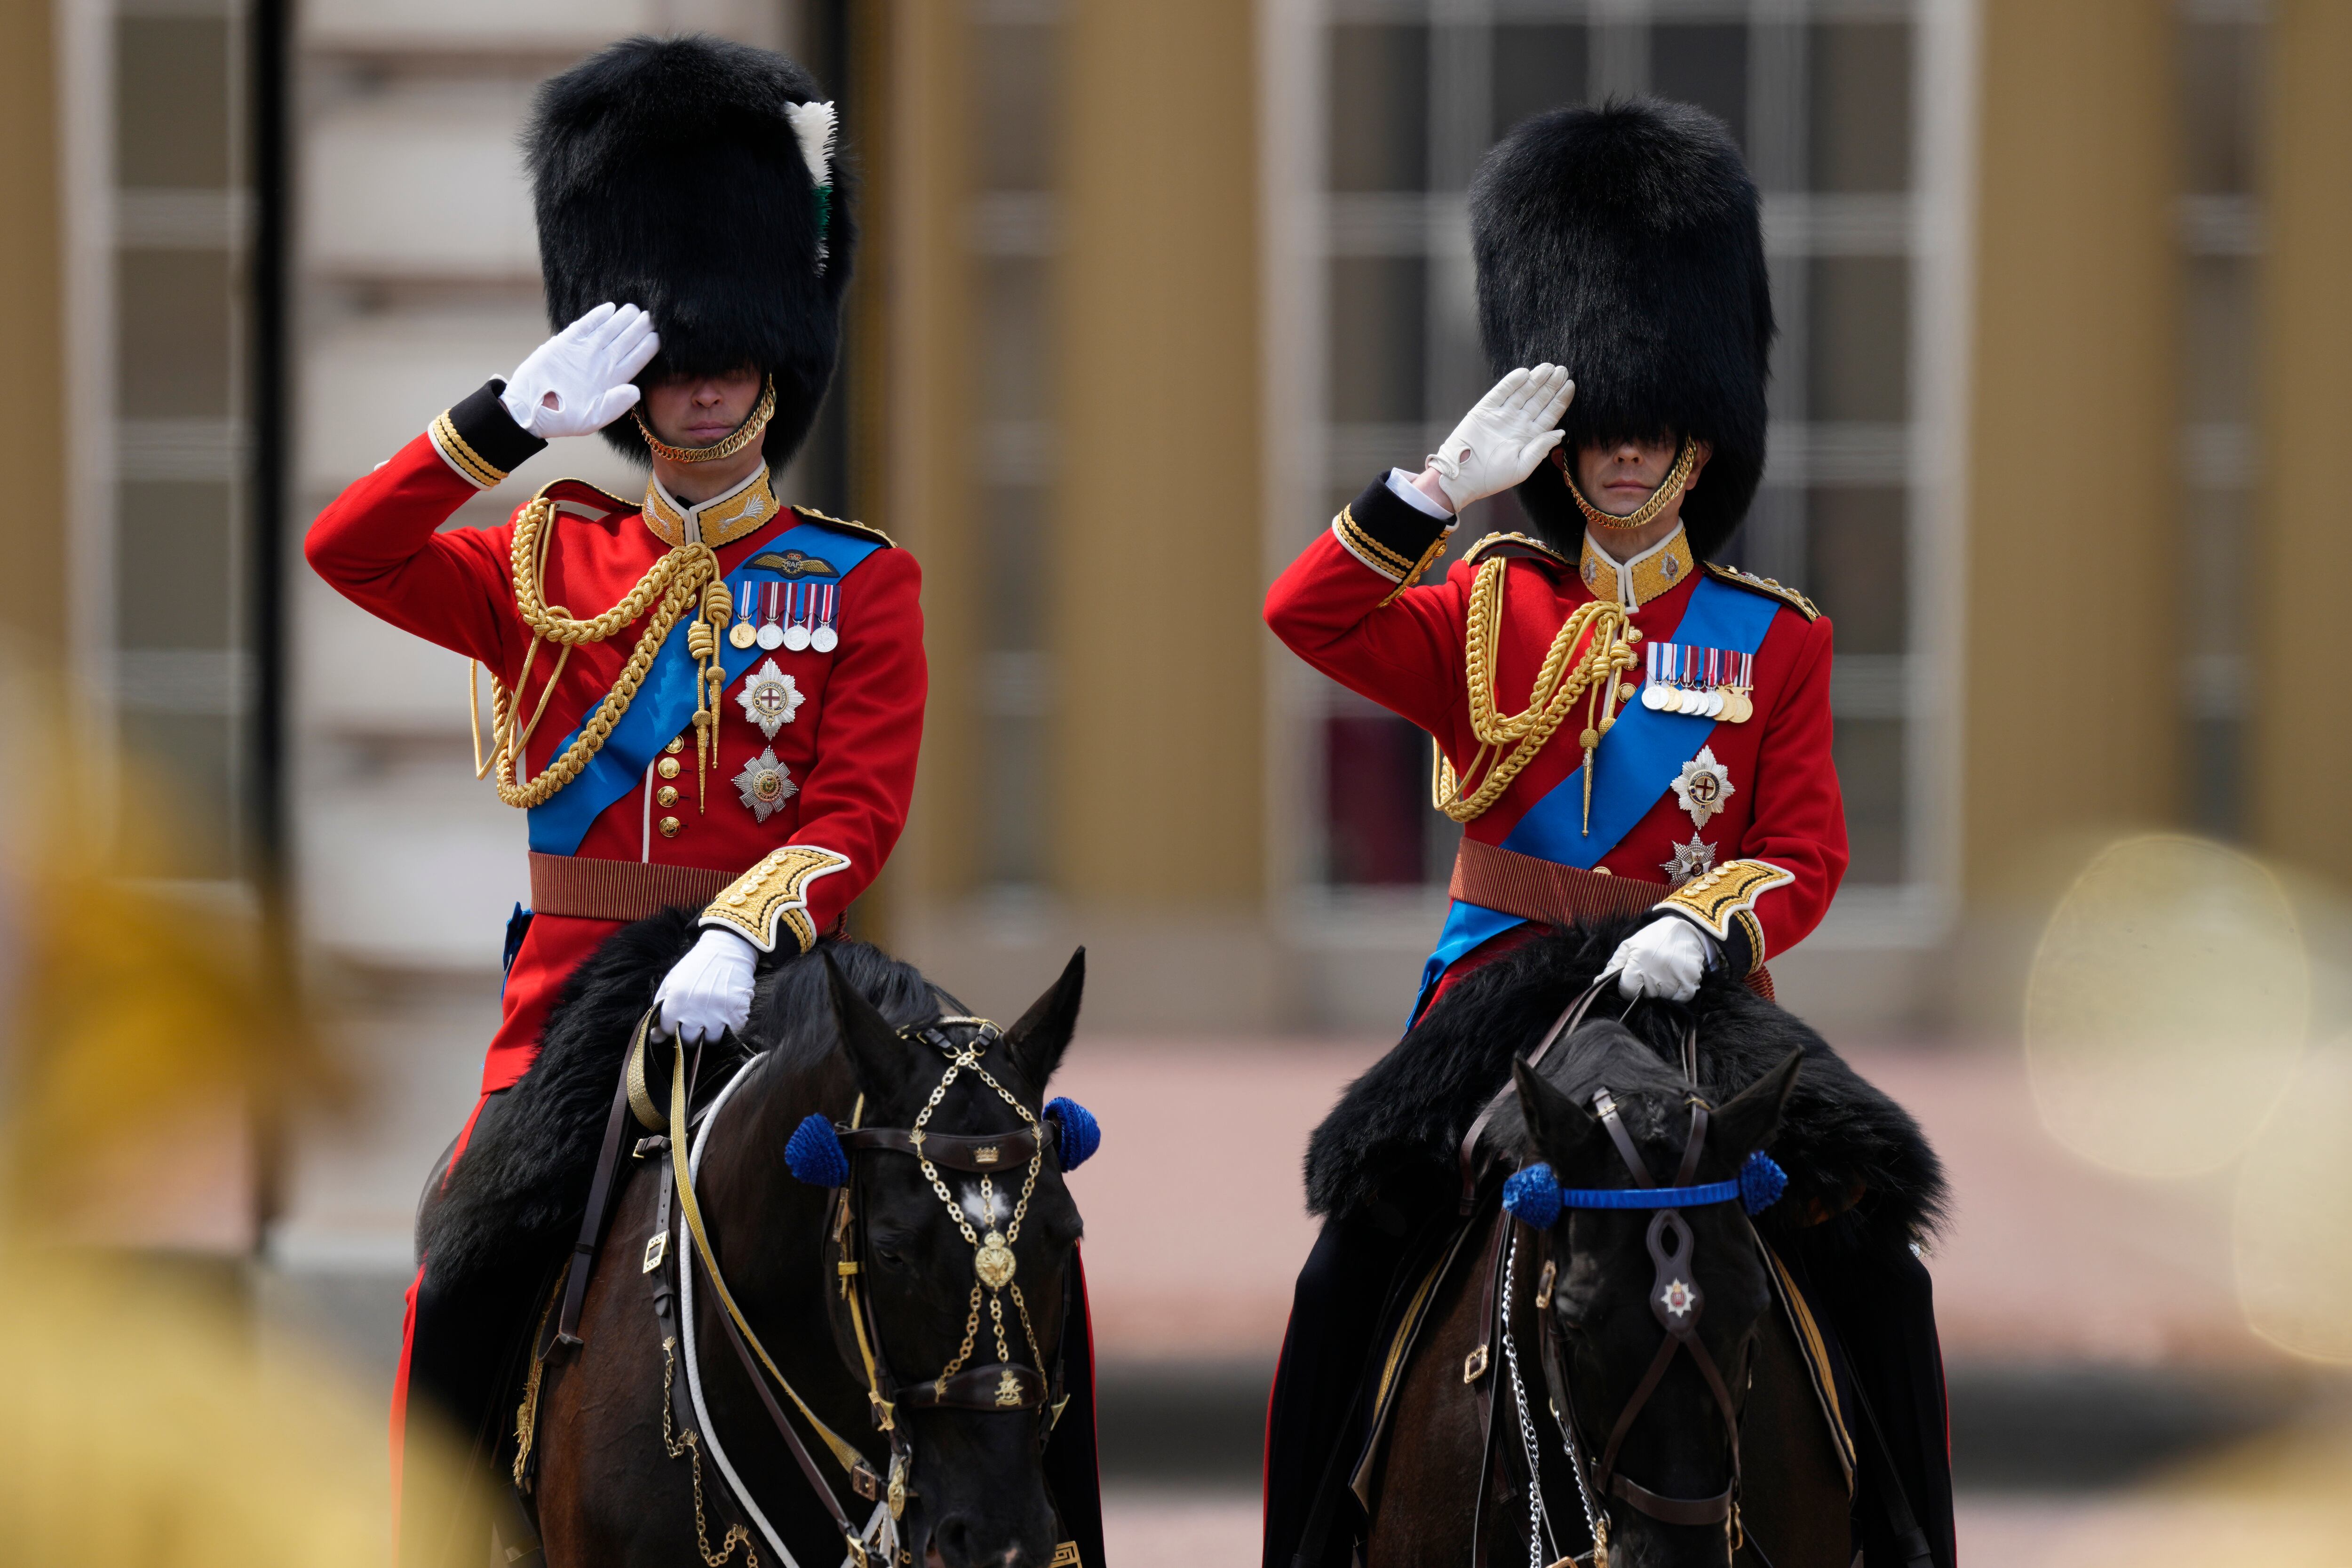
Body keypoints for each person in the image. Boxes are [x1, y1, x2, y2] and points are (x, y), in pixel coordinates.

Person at [1259, 99, 1953, 1568]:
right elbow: (1306, 615)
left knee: (1878, 1259)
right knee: (1350, 1263)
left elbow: (1808, 853)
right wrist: (1429, 495)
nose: (1626, 460)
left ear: (1700, 441)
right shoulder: (1485, 603)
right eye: (1603, 437)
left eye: (1651, 435)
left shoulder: (1779, 640)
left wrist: (1708, 918)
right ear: (1564, 448)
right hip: (1500, 981)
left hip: (1697, 991)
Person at [305, 35, 926, 1565]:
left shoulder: (860, 580)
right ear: (631, 385)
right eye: (677, 368)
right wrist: (500, 422)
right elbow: (348, 551)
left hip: (775, 979)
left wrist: (743, 929)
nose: (708, 394)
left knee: (995, 1231)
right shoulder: (545, 559)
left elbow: (854, 808)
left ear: (778, 365)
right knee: (461, 1267)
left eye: (731, 364)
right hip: (577, 995)